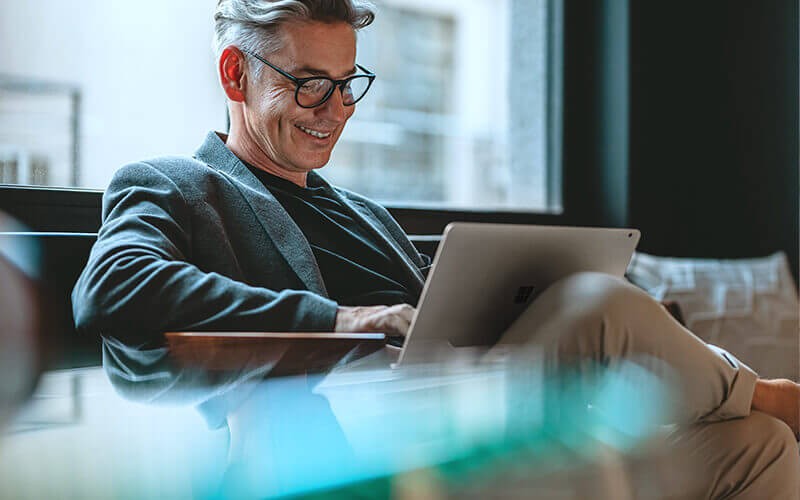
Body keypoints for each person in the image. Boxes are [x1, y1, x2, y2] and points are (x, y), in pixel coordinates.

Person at [71, 1, 799, 497]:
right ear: (235, 74)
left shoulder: (365, 215)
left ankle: (745, 405)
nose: (338, 111)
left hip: (486, 419)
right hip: (367, 449)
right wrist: (338, 320)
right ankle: (758, 387)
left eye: (349, 83)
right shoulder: (173, 186)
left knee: (762, 448)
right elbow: (114, 286)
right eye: (310, 86)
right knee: (599, 303)